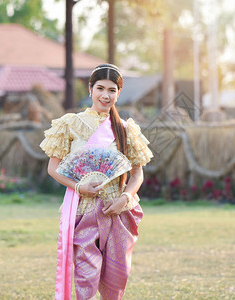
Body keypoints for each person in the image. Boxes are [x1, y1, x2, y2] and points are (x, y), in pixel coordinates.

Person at [40, 64, 153, 300]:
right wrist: (79, 187)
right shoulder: (70, 124)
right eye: (100, 88)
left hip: (118, 211)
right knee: (86, 278)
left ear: (118, 93)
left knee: (115, 282)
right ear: (90, 88)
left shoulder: (125, 129)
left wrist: (125, 198)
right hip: (83, 210)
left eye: (112, 90)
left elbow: (137, 174)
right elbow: (53, 168)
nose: (105, 95)